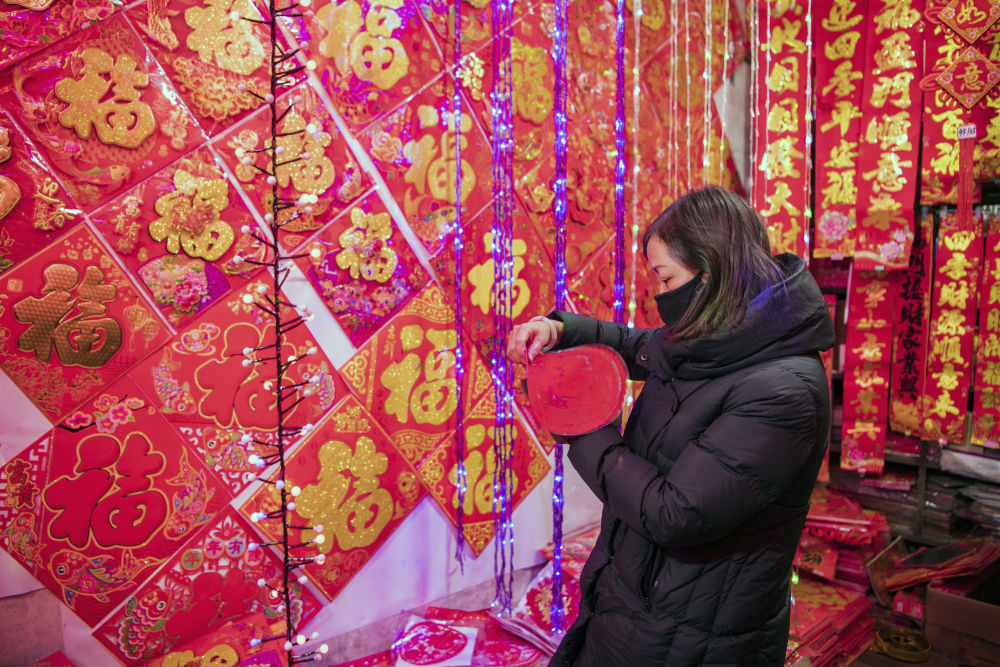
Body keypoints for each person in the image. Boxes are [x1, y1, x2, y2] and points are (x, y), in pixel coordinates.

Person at [507, 186, 835, 667]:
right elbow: (639, 346)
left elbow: (675, 513)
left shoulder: (784, 391)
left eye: (666, 279)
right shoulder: (720, 338)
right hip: (642, 604)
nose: (661, 296)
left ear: (712, 272)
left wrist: (580, 422)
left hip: (696, 638)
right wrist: (562, 331)